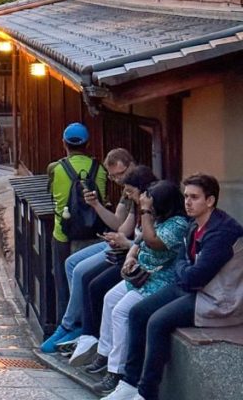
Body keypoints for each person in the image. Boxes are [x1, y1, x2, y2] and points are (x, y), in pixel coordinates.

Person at [104, 173, 243, 400]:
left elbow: (194, 277)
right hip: (193, 288)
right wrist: (184, 269)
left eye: (195, 197)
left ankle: (147, 393)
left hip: (217, 298)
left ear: (210, 201)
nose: (188, 202)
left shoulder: (222, 232)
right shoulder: (194, 225)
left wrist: (184, 270)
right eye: (186, 196)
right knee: (138, 312)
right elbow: (182, 262)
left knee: (157, 322)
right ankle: (129, 382)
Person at [91, 180, 187, 397]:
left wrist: (144, 211)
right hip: (141, 274)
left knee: (123, 312)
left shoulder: (178, 223)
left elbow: (153, 241)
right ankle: (105, 355)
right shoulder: (158, 217)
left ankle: (118, 372)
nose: (148, 207)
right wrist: (132, 255)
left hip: (158, 280)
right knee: (109, 298)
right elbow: (140, 239)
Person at [41, 148, 138, 353]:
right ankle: (76, 323)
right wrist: (95, 205)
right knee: (71, 263)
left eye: (119, 174)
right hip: (119, 242)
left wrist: (122, 239)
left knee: (80, 271)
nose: (117, 180)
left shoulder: (141, 189)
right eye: (113, 176)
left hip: (128, 249)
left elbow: (125, 230)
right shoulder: (127, 190)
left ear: (130, 165)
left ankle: (70, 325)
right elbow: (118, 223)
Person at [66, 164, 157, 366]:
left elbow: (152, 243)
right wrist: (121, 240)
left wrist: (129, 245)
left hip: (144, 266)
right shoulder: (138, 204)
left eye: (130, 190)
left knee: (97, 285)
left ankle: (101, 350)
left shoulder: (154, 208)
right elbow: (123, 229)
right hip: (128, 255)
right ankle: (88, 337)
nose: (123, 189)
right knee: (84, 274)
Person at [45, 122, 108, 335]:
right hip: (94, 234)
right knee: (87, 283)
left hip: (63, 233)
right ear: (88, 144)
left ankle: (64, 329)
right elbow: (104, 197)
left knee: (63, 283)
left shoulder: (55, 168)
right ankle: (89, 329)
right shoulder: (99, 169)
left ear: (64, 143)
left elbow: (53, 195)